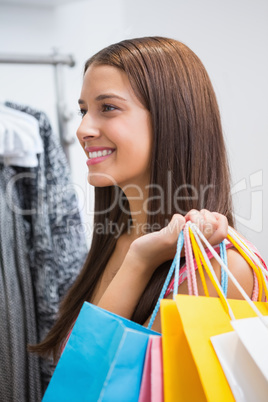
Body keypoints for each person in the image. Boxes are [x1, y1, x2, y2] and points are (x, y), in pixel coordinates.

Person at [29, 36, 264, 363]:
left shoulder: (220, 270)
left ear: (173, 118)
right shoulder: (117, 241)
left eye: (107, 108)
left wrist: (139, 262)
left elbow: (87, 374)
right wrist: (139, 258)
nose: (83, 129)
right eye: (83, 111)